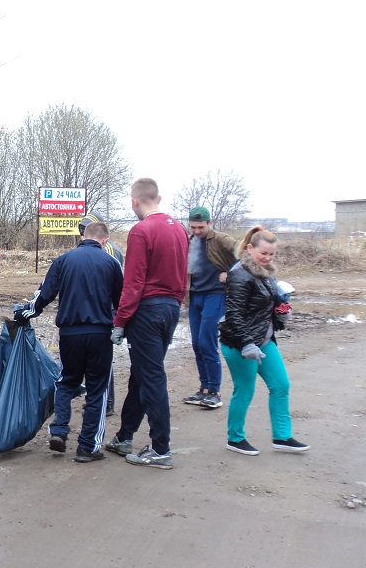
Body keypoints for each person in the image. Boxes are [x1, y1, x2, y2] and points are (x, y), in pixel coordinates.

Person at [22, 222, 123, 462]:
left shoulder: (64, 260)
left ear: (82, 237)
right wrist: (123, 327)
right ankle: (88, 447)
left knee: (66, 381)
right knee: (98, 389)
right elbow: (122, 301)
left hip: (69, 334)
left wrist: (25, 313)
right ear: (104, 241)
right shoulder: (112, 263)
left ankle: (59, 430)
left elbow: (44, 294)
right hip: (100, 334)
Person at [105, 178, 188, 469]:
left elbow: (134, 281)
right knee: (141, 375)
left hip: (147, 311)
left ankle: (161, 448)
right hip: (170, 309)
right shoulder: (179, 229)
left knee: (151, 378)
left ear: (135, 201)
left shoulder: (141, 231)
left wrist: (120, 321)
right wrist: (175, 304)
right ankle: (124, 436)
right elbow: (183, 274)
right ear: (159, 198)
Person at [219, 227, 309, 455]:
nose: (268, 258)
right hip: (239, 343)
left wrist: (280, 314)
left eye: (271, 254)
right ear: (250, 249)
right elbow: (235, 314)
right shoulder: (239, 274)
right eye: (263, 253)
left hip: (264, 340)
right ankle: (235, 438)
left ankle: (282, 437)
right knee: (245, 390)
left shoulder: (267, 272)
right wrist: (247, 343)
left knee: (281, 385)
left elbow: (265, 307)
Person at [182, 207, 238, 410]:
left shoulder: (222, 239)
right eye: (193, 227)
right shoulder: (189, 241)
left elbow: (245, 255)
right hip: (195, 296)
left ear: (210, 223)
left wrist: (230, 274)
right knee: (197, 343)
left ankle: (215, 392)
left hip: (216, 295)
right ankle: (204, 389)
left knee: (207, 342)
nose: (197, 231)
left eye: (201, 227)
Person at [79, 213, 124, 416]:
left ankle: (107, 403)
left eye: (85, 229)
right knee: (95, 359)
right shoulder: (102, 248)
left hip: (106, 309)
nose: (82, 233)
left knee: (103, 361)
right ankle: (99, 400)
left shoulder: (109, 249)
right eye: (81, 229)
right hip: (100, 307)